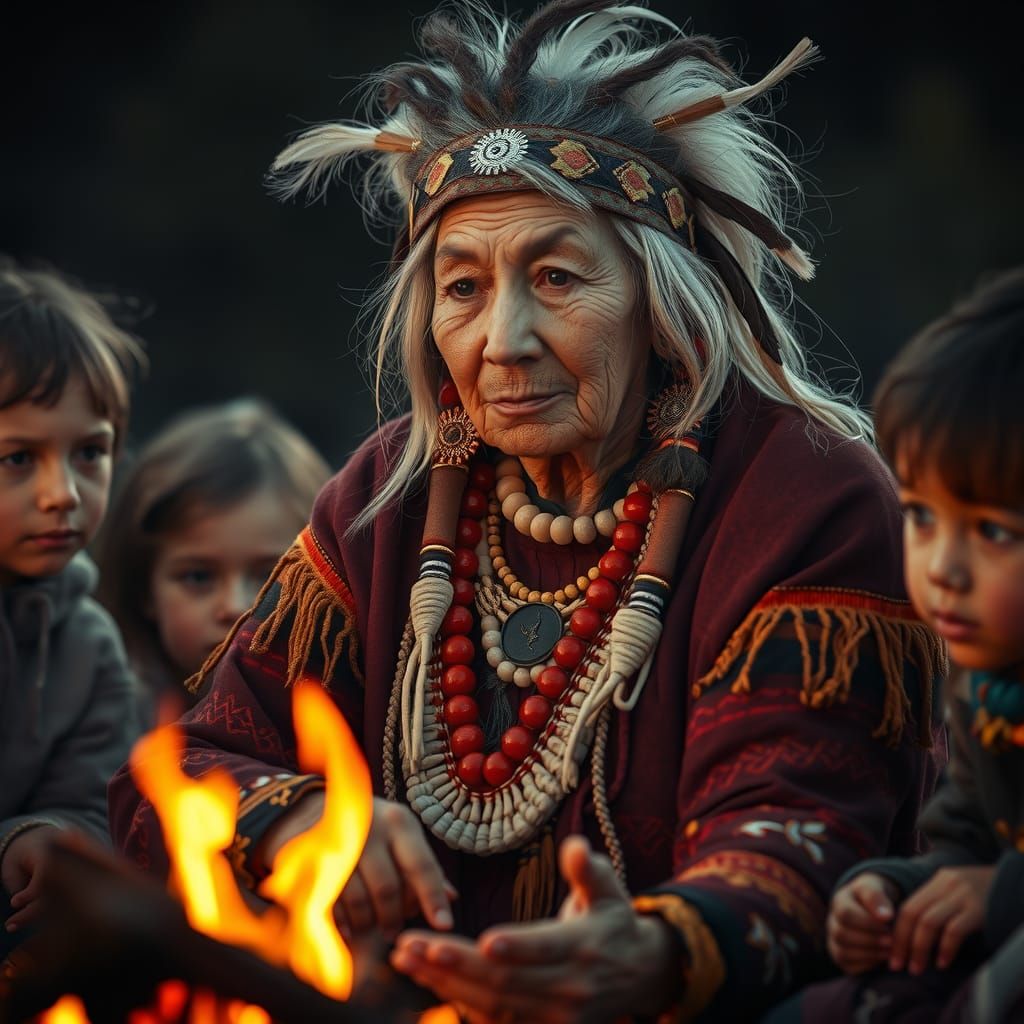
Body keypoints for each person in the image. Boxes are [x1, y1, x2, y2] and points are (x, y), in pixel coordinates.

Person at [108, 2, 947, 1019]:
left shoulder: (800, 495)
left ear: (659, 300)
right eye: (462, 287)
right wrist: (296, 820)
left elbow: (798, 833)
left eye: (554, 277)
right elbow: (179, 768)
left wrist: (653, 950)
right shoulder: (390, 494)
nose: (501, 337)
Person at [765, 269, 1024, 1023]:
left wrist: (999, 894)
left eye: (994, 532)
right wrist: (888, 893)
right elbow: (963, 836)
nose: (943, 569)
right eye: (921, 516)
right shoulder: (987, 683)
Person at [0, 256, 144, 959]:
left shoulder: (89, 642)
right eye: (17, 459)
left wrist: (43, 839)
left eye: (90, 452)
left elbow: (97, 801)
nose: (64, 494)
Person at [94, 398, 331, 726]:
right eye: (198, 577)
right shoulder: (104, 728)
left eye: (269, 576)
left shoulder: (359, 733)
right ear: (144, 590)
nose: (236, 608)